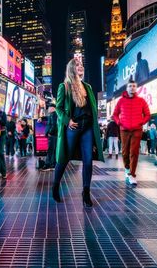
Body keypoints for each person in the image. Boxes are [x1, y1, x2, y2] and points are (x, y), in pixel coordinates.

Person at [53, 58, 104, 207]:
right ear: (71, 68)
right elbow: (58, 108)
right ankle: (56, 186)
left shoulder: (87, 87)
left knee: (88, 161)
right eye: (77, 65)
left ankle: (86, 192)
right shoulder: (65, 86)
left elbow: (92, 110)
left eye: (81, 64)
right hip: (73, 126)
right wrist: (67, 120)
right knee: (64, 158)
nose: (80, 67)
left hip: (87, 127)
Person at [113, 79, 150, 185]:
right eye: (130, 86)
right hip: (124, 130)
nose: (132, 87)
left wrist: (140, 123)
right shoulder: (120, 101)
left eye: (134, 86)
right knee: (124, 152)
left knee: (134, 152)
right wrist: (119, 122)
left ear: (136, 87)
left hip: (137, 130)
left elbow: (147, 114)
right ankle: (127, 169)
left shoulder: (141, 101)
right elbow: (115, 114)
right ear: (127, 88)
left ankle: (132, 175)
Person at [41, 103, 58, 171]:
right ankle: (52, 165)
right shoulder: (52, 115)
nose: (48, 109)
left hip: (53, 135)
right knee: (52, 150)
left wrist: (50, 133)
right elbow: (47, 118)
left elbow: (54, 125)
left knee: (51, 150)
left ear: (53, 108)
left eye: (49, 108)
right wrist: (41, 118)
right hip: (53, 135)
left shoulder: (54, 115)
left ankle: (49, 165)